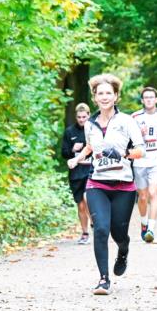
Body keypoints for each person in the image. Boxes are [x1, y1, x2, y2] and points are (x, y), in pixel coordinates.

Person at [73, 73, 145, 295]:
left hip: (123, 186)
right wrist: (77, 158)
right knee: (101, 229)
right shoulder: (90, 124)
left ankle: (123, 249)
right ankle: (103, 280)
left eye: (108, 93)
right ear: (94, 97)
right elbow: (90, 146)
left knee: (118, 234)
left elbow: (140, 151)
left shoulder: (127, 122)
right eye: (100, 93)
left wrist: (123, 152)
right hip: (98, 184)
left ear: (116, 96)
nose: (104, 97)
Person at [131, 87, 157, 243]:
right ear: (142, 100)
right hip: (140, 160)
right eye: (146, 97)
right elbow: (127, 139)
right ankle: (143, 224)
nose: (149, 100)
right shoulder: (134, 117)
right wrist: (138, 134)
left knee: (153, 193)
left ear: (156, 99)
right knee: (142, 197)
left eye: (151, 97)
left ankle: (151, 229)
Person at [62, 103, 93, 244]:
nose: (81, 120)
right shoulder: (69, 132)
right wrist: (72, 149)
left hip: (91, 170)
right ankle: (85, 232)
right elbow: (64, 153)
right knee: (80, 204)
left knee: (88, 198)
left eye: (84, 117)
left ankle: (95, 222)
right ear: (76, 117)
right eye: (79, 117)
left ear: (89, 115)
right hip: (76, 172)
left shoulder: (94, 130)